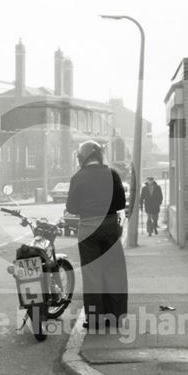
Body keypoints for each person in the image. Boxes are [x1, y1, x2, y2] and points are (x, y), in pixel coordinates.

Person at [65, 140, 128, 330]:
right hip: (109, 225)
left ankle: (94, 320)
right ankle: (115, 317)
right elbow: (120, 203)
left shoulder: (78, 177)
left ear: (82, 158)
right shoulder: (112, 175)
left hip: (87, 228)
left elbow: (71, 207)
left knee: (92, 274)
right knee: (113, 271)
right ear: (99, 156)